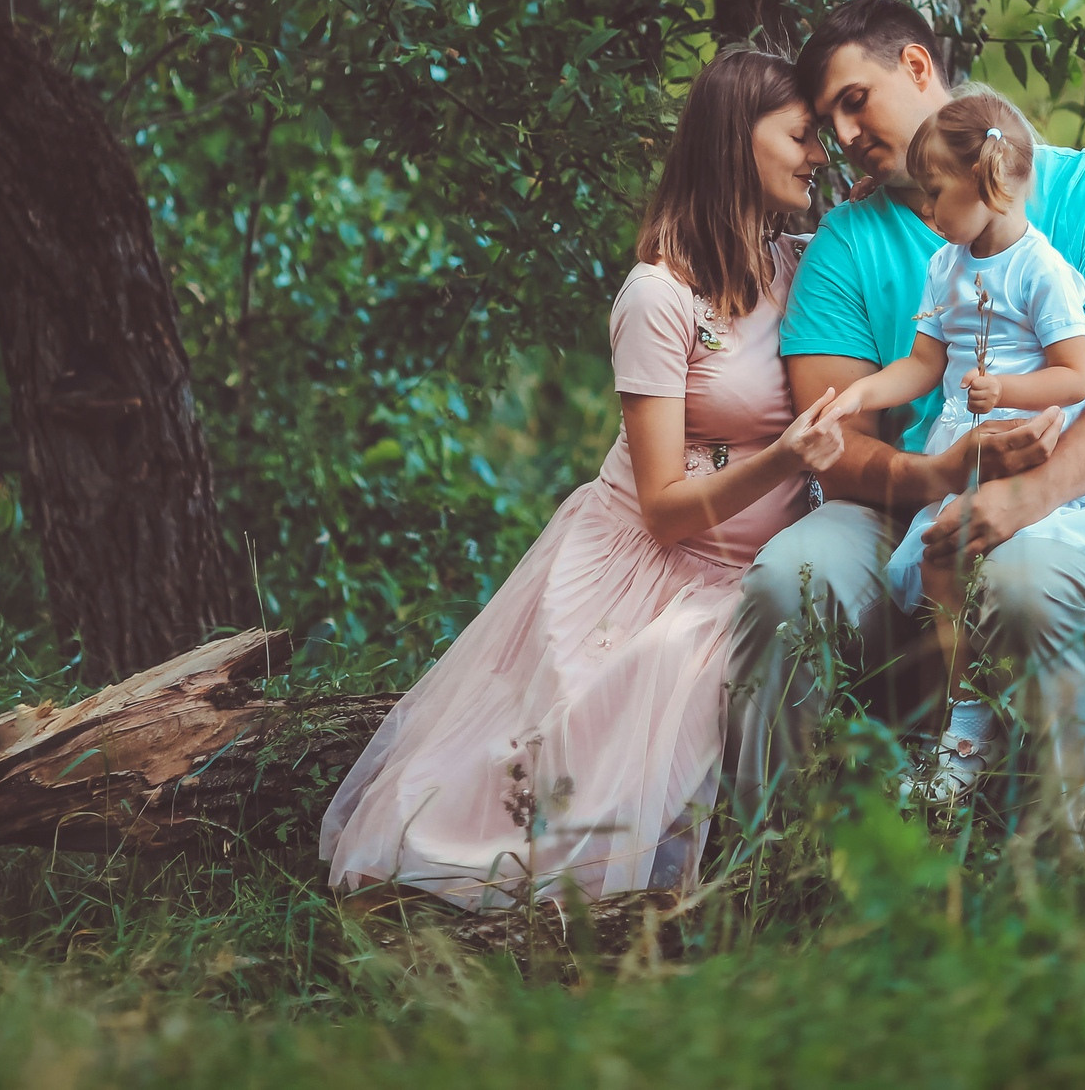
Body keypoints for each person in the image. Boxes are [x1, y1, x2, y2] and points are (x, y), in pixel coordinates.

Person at [322, 50, 850, 910]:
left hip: (758, 563)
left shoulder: (801, 264)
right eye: (800, 136)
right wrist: (788, 458)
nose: (819, 155)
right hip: (654, 568)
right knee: (601, 755)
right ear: (734, 139)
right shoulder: (657, 296)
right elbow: (666, 511)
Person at [723, 0, 1085, 839]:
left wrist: (1026, 497)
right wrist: (939, 479)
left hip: (1081, 511)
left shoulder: (1084, 191)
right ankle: (767, 861)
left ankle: (1053, 881)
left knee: (1019, 585)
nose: (842, 136)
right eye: (826, 119)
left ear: (915, 66)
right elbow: (838, 448)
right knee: (784, 580)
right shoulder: (850, 240)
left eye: (853, 100)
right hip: (908, 512)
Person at [825, 89, 1085, 800]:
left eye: (937, 194)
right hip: (970, 447)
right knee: (940, 564)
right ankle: (960, 731)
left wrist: (1007, 395)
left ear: (988, 186)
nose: (927, 211)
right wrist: (861, 395)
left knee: (1006, 572)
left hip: (1038, 447)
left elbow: (1073, 375)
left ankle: (1024, 774)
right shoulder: (945, 266)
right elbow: (924, 364)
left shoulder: (1042, 268)